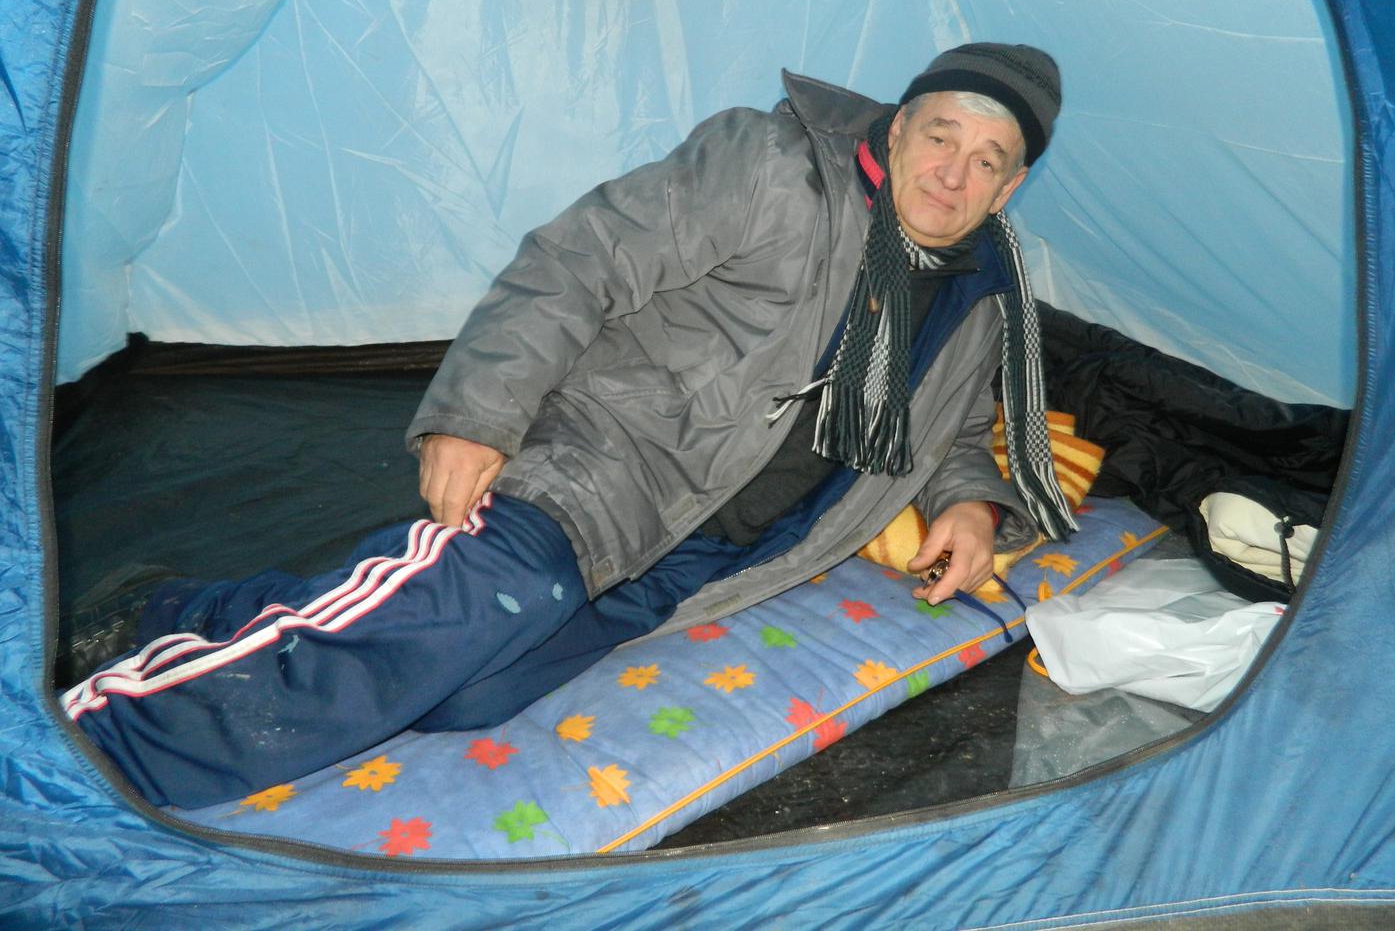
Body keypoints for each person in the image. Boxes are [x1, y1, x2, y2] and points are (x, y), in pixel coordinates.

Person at [61, 43, 1075, 810]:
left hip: (710, 553)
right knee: (462, 615)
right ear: (896, 129)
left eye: (986, 160)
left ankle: (164, 610)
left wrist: (969, 502)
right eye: (940, 136)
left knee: (462, 695)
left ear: (1010, 186)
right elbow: (577, 261)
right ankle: (90, 761)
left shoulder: (984, 296)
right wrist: (478, 414)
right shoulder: (774, 169)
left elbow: (950, 428)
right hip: (600, 465)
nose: (953, 174)